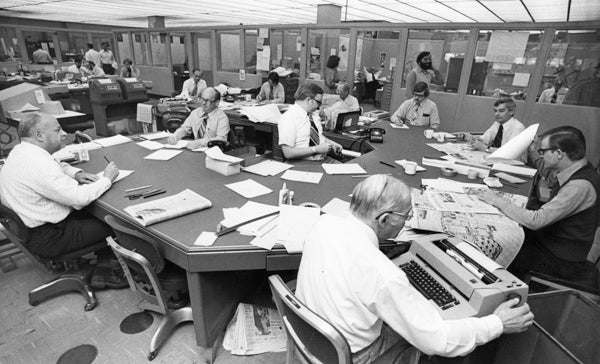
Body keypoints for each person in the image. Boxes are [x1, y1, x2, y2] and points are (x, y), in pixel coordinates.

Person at [296, 175, 534, 363]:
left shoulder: (324, 222)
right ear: (385, 219)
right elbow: (438, 341)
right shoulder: (384, 275)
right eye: (406, 216)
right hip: (350, 355)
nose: (407, 222)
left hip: (311, 335)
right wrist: (498, 323)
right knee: (435, 337)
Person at [0, 112, 126, 287]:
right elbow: (79, 198)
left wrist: (77, 173)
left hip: (35, 229)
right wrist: (107, 178)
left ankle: (103, 263)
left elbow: (56, 164)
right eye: (57, 130)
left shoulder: (22, 152)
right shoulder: (37, 165)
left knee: (97, 215)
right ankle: (108, 272)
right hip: (52, 237)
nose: (64, 133)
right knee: (120, 224)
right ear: (39, 135)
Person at [480, 126, 599, 287]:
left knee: (500, 246)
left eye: (543, 151)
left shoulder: (579, 186)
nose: (540, 155)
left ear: (558, 153)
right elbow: (550, 180)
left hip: (560, 257)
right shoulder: (577, 169)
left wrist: (496, 199)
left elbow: (536, 221)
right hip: (555, 241)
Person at [278, 82, 342, 163]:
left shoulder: (313, 115)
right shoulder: (289, 118)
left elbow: (317, 137)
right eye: (318, 102)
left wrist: (331, 143)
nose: (319, 106)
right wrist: (315, 149)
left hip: (322, 159)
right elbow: (288, 153)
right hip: (302, 162)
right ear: (309, 100)